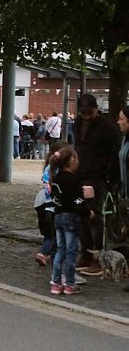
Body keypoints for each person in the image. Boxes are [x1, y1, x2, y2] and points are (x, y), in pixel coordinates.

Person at [73, 93, 121, 276]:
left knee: (96, 217)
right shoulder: (78, 124)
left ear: (95, 110)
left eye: (88, 112)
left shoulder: (107, 127)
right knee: (82, 213)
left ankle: (97, 257)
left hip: (97, 177)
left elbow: (114, 152)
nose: (85, 115)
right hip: (81, 173)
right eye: (83, 112)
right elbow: (79, 145)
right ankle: (85, 252)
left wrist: (110, 177)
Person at [48, 144, 91, 295]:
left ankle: (56, 282)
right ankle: (70, 284)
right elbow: (77, 202)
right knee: (71, 252)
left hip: (58, 216)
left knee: (60, 250)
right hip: (71, 218)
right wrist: (88, 212)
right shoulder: (73, 180)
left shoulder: (56, 178)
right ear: (72, 160)